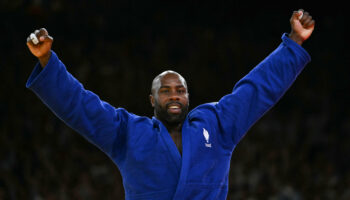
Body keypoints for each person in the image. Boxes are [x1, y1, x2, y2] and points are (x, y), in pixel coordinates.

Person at [26, 9, 315, 200]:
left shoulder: (216, 125)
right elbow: (81, 106)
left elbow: (255, 90)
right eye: (165, 91)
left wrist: (293, 43)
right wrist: (47, 61)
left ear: (188, 98)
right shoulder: (128, 133)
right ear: (152, 100)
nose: (174, 95)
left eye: (180, 90)